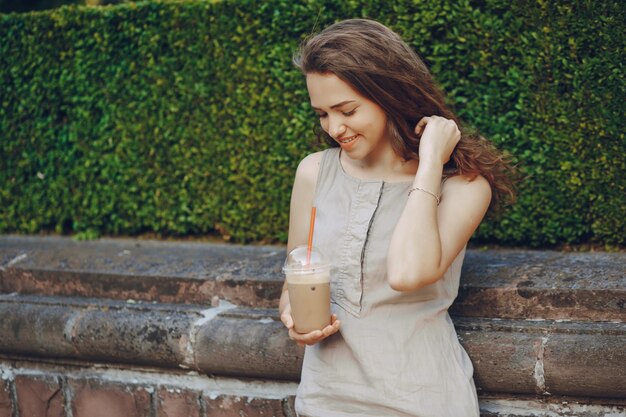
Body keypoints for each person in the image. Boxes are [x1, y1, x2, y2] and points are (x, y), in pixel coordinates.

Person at [279, 18, 515, 417]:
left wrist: (429, 165)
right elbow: (296, 275)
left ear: (389, 95)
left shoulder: (464, 185)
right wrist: (292, 315)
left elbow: (408, 273)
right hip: (324, 400)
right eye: (321, 114)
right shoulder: (313, 173)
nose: (334, 127)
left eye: (347, 110)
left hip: (423, 401)